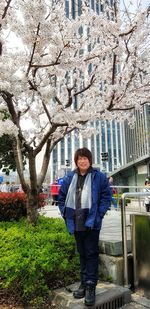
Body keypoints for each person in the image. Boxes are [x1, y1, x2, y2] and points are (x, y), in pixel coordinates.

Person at [58, 148, 111, 306]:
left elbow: (106, 197)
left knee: (91, 253)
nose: (83, 161)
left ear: (90, 160)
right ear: (76, 161)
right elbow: (61, 198)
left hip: (91, 223)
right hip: (76, 222)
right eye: (80, 159)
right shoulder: (69, 178)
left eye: (85, 158)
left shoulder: (99, 177)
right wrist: (66, 214)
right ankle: (83, 282)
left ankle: (90, 286)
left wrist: (98, 215)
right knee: (82, 253)